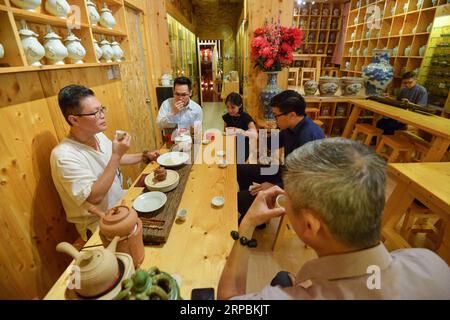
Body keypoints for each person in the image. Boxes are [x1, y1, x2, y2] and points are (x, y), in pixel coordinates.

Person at [218, 138, 450, 300]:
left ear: (310, 225)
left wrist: (247, 224)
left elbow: (228, 300)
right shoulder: (431, 263)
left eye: (286, 195)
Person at [50, 85, 160, 241]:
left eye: (102, 109)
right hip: (98, 225)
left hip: (122, 206)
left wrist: (144, 156)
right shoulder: (64, 156)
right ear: (74, 119)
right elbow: (94, 197)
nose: (102, 115)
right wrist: (116, 155)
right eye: (96, 112)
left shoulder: (97, 135)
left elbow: (115, 159)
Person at [237, 90, 324, 224]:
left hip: (300, 187)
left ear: (292, 114)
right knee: (241, 169)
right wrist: (251, 134)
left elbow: (304, 179)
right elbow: (272, 143)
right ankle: (253, 211)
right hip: (286, 173)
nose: (274, 118)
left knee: (240, 199)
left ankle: (250, 217)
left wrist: (275, 186)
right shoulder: (291, 126)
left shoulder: (309, 136)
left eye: (276, 115)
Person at [222, 92, 257, 163]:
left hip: (243, 146)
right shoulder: (227, 117)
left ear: (240, 105)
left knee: (236, 162)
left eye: (233, 107)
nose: (229, 110)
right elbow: (225, 132)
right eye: (227, 107)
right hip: (230, 144)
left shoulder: (245, 117)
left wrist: (239, 131)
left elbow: (255, 134)